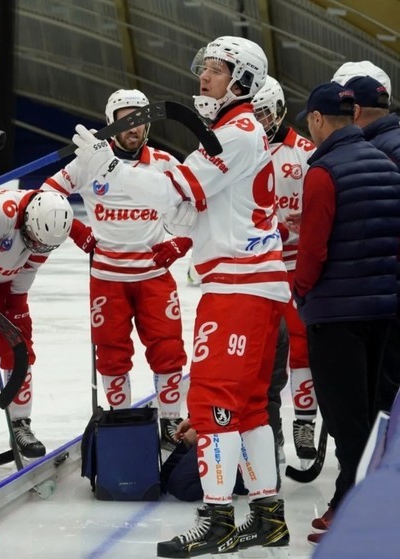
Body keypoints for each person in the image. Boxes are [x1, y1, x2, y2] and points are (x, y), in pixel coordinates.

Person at [71, 36, 291, 557]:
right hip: (252, 284)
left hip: (239, 287)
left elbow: (175, 194)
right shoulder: (231, 132)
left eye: (215, 69)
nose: (204, 77)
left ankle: (216, 520)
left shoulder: (235, 132)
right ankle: (268, 516)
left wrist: (107, 168)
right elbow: (188, 207)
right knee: (252, 409)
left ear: (242, 80)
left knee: (214, 402)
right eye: (204, 68)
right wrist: (147, 185)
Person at [42, 88, 188, 451]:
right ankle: (121, 420)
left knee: (168, 351)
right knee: (111, 352)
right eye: (125, 119)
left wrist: (179, 244)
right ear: (111, 123)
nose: (133, 127)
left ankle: (171, 422)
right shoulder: (89, 162)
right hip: (108, 280)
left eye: (139, 119)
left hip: (154, 277)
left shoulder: (165, 163)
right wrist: (77, 232)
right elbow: (45, 196)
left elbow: (200, 209)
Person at [293, 81, 400, 545]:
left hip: (336, 314)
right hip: (384, 308)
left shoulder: (323, 172)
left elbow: (312, 252)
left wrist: (301, 292)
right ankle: (355, 500)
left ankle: (354, 509)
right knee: (374, 410)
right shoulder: (386, 164)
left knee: (345, 416)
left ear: (317, 120)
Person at [0, 188, 74, 459]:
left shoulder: (50, 230)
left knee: (20, 349)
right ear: (30, 219)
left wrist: (14, 303)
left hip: (9, 285)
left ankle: (21, 422)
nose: (38, 247)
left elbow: (31, 266)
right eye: (35, 240)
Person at [252, 76, 319, 462]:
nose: (260, 121)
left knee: (302, 347)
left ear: (278, 110)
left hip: (294, 265)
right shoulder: (243, 148)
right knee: (262, 352)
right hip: (257, 267)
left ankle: (305, 419)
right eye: (255, 113)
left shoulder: (306, 154)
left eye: (265, 113)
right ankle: (267, 425)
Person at [342, 74, 400, 416]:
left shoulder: (374, 152)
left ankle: (383, 466)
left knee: (384, 385)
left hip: (386, 283)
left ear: (357, 110)